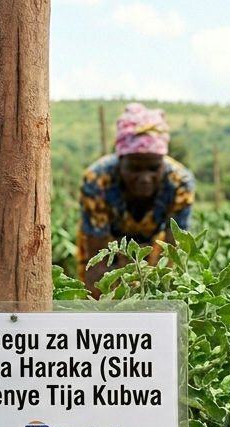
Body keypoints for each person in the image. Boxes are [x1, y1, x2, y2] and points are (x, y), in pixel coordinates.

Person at [78, 103, 195, 293]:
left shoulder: (179, 183)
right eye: (134, 168)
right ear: (120, 161)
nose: (145, 178)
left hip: (153, 243)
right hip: (107, 246)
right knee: (99, 292)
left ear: (162, 163)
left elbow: (174, 254)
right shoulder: (97, 180)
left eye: (153, 169)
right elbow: (96, 260)